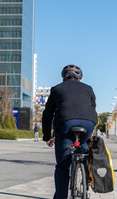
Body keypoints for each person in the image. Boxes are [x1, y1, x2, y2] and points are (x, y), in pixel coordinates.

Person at [42, 64, 98, 199]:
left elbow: (48, 114)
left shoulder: (56, 89)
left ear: (64, 77)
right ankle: (85, 173)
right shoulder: (88, 88)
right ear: (80, 77)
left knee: (62, 166)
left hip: (66, 123)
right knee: (83, 147)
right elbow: (93, 107)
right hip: (89, 122)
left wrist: (47, 136)